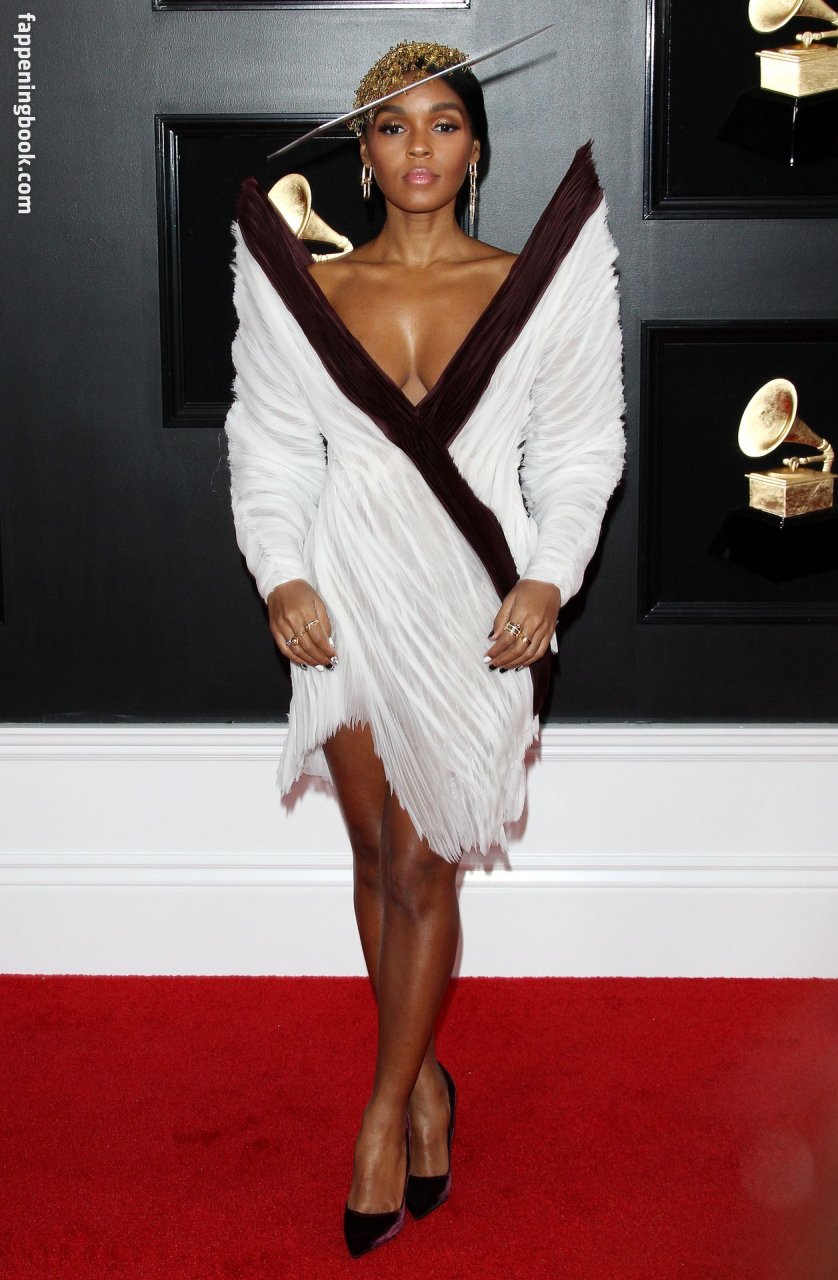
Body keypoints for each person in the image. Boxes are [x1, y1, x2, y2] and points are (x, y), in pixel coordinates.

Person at [224, 39, 625, 1258]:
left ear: (476, 148)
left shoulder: (530, 287)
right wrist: (281, 570)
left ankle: (383, 1113)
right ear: (362, 153)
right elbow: (270, 447)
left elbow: (580, 449)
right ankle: (430, 1085)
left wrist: (550, 574)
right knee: (372, 852)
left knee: (422, 860)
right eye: (392, 126)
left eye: (443, 124)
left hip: (474, 606)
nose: (418, 148)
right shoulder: (309, 293)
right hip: (343, 593)